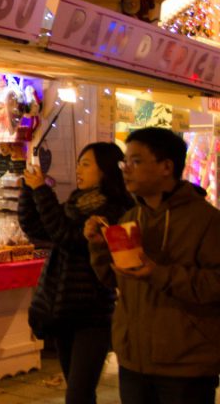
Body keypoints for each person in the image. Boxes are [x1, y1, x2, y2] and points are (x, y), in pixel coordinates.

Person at [84, 128, 220, 404]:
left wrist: (158, 273)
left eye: (136, 161)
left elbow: (215, 286)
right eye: (125, 163)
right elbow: (112, 279)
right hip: (134, 361)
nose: (126, 170)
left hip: (186, 365)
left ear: (166, 167)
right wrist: (99, 246)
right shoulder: (130, 218)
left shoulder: (207, 221)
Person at [19, 142, 132, 404]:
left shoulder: (113, 210)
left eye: (86, 164)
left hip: (92, 313)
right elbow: (38, 229)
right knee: (77, 388)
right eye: (78, 163)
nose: (78, 169)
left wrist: (42, 192)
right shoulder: (75, 204)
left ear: (105, 170)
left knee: (78, 393)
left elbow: (68, 237)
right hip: (63, 309)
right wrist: (28, 191)